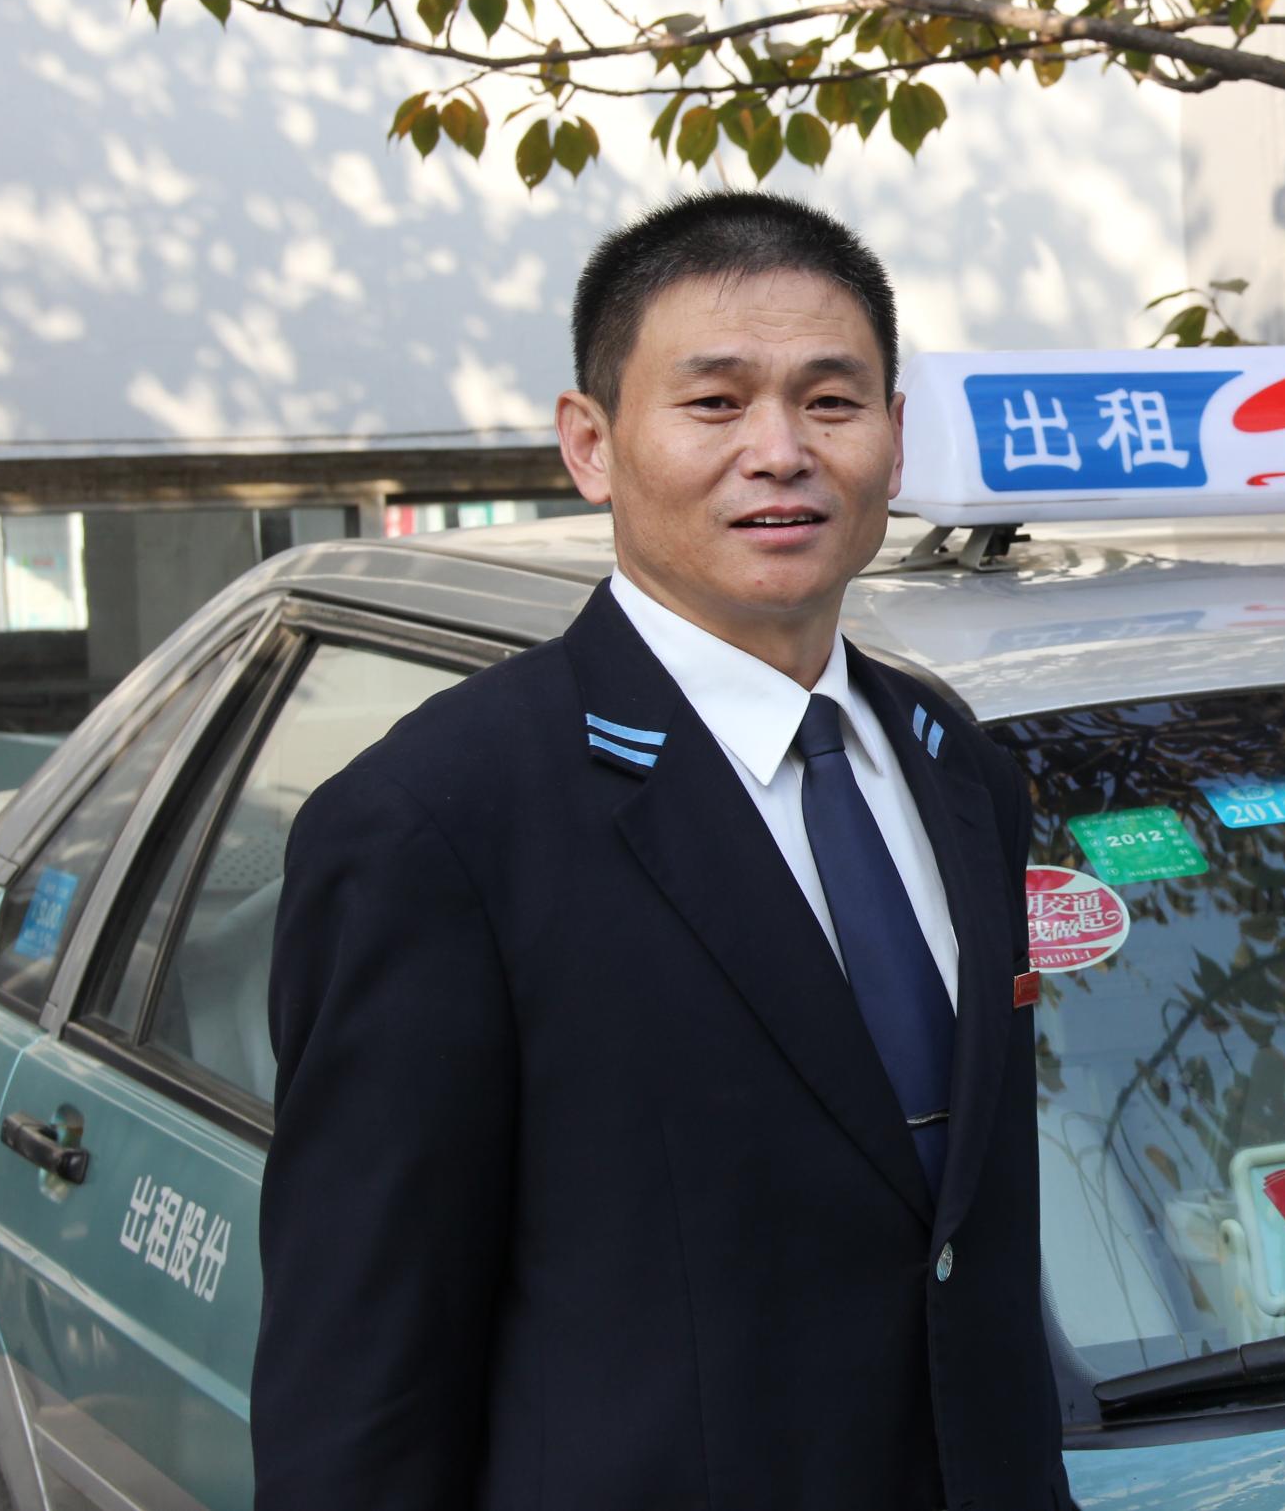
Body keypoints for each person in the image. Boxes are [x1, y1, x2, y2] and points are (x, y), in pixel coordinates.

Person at [253, 193, 1072, 1510]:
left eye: (831, 402)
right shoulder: (438, 823)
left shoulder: (955, 770)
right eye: (714, 403)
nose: (780, 452)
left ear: (895, 434)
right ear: (591, 444)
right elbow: (360, 1386)